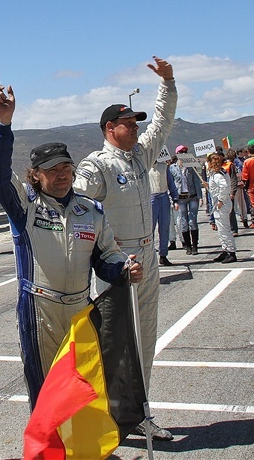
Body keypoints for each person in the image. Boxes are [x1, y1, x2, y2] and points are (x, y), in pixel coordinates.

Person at [0, 78, 142, 409]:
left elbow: (107, 256)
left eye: (66, 168)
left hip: (80, 309)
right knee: (47, 391)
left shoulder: (91, 210)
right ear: (35, 175)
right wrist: (3, 125)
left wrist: (124, 268)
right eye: (51, 170)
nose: (61, 175)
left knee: (84, 385)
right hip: (40, 308)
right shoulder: (25, 205)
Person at [73, 56, 176, 440]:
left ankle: (137, 410)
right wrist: (103, 255)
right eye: (128, 123)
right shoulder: (96, 166)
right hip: (119, 260)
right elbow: (77, 208)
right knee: (118, 340)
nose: (136, 128)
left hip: (147, 254)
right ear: (109, 128)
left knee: (144, 337)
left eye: (136, 123)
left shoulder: (139, 156)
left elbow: (163, 124)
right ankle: (114, 413)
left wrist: (167, 83)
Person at [170, 146, 204, 253]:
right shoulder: (172, 168)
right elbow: (171, 184)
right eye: (181, 152)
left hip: (192, 195)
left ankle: (195, 246)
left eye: (185, 152)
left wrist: (200, 196)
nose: (184, 154)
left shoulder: (191, 167)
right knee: (183, 221)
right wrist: (173, 199)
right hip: (180, 197)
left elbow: (196, 182)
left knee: (192, 220)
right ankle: (187, 246)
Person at [207, 153, 237, 263]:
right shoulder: (219, 172)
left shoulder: (217, 174)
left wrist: (220, 200)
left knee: (224, 229)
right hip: (221, 204)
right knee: (221, 229)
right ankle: (225, 249)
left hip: (222, 204)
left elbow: (224, 187)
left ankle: (231, 252)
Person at [149, 160, 178, 266]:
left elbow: (171, 183)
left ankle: (163, 255)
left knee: (164, 227)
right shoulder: (144, 166)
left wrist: (175, 199)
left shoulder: (164, 167)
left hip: (163, 197)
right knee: (149, 229)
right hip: (151, 198)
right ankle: (149, 256)